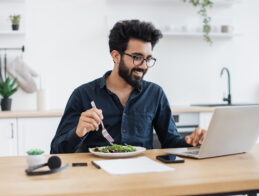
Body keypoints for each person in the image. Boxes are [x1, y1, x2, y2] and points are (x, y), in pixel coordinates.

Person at [51, 19, 205, 153]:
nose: (144, 66)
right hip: (99, 177)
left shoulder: (155, 93)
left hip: (144, 176)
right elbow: (56, 150)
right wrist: (77, 132)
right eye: (137, 57)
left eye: (148, 58)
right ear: (116, 56)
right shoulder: (83, 95)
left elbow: (171, 143)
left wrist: (190, 141)